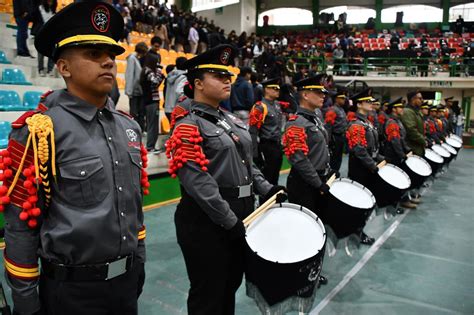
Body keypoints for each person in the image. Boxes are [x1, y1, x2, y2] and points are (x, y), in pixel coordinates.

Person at [1, 2, 147, 314]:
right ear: (64, 67)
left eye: (111, 54)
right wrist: (26, 303)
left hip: (127, 284)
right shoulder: (40, 131)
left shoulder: (128, 127)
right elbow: (20, 228)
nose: (108, 62)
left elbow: (135, 206)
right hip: (72, 293)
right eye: (94, 54)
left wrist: (140, 261)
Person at [166, 44, 286, 315]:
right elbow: (198, 183)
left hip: (240, 214)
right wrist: (230, 221)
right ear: (197, 83)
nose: (227, 81)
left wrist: (266, 188)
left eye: (228, 76)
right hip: (207, 221)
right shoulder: (187, 124)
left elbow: (247, 162)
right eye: (218, 76)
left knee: (229, 285)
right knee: (209, 292)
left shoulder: (231, 119)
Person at [283, 75, 332, 286]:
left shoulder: (315, 117)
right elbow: (299, 160)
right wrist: (318, 183)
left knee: (317, 228)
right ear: (304, 94)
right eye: (318, 92)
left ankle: (311, 271)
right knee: (302, 232)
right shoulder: (296, 123)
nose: (323, 95)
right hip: (305, 184)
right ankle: (299, 277)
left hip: (318, 179)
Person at [346, 88, 384, 245]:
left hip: (367, 166)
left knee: (367, 200)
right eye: (368, 101)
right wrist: (372, 165)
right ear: (359, 104)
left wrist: (380, 158)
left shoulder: (366, 122)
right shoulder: (356, 124)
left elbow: (371, 147)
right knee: (360, 201)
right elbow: (359, 149)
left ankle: (357, 229)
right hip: (360, 168)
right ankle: (356, 232)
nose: (371, 104)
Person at [248, 78, 284, 185]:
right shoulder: (260, 107)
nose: (277, 91)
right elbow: (253, 132)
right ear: (266, 90)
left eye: (278, 89)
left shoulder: (277, 105)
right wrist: (255, 153)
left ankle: (275, 201)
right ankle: (266, 201)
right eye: (274, 88)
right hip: (266, 146)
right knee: (267, 178)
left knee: (275, 177)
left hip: (277, 145)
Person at [382, 98, 414, 210]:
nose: (402, 109)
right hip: (393, 155)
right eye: (400, 107)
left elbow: (401, 139)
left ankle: (400, 200)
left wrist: (407, 149)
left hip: (397, 154)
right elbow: (395, 141)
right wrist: (402, 155)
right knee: (394, 181)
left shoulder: (397, 121)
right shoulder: (392, 122)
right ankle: (394, 204)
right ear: (394, 109)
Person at [140, 52, 165, 152]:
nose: (158, 64)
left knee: (153, 124)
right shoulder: (148, 71)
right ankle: (150, 147)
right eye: (156, 61)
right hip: (151, 101)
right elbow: (155, 82)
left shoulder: (147, 70)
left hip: (151, 101)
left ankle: (151, 146)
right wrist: (159, 73)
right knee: (152, 125)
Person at [125, 41, 148, 131]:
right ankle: (133, 130)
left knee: (141, 112)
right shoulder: (132, 58)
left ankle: (140, 129)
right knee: (134, 113)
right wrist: (129, 91)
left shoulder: (137, 59)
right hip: (134, 91)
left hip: (139, 90)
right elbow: (130, 75)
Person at [324, 87, 348, 171]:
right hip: (335, 137)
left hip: (341, 137)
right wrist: (329, 140)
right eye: (342, 98)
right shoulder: (333, 110)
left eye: (344, 98)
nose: (344, 100)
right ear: (336, 99)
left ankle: (336, 174)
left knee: (338, 158)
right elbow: (328, 126)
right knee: (333, 159)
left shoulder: (342, 109)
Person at [400, 90, 426, 156]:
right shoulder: (408, 112)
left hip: (418, 147)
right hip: (412, 148)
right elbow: (411, 130)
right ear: (413, 99)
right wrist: (423, 140)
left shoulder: (416, 111)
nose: (422, 100)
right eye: (420, 98)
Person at [164, 57, 188, 122]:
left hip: (168, 108)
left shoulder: (170, 75)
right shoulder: (183, 76)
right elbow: (179, 92)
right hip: (176, 108)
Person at [37, 0, 56, 77]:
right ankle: (40, 69)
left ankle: (50, 70)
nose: (50, 2)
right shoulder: (40, 8)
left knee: (52, 52)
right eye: (48, 1)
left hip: (51, 34)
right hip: (41, 33)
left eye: (52, 1)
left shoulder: (54, 11)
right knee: (41, 53)